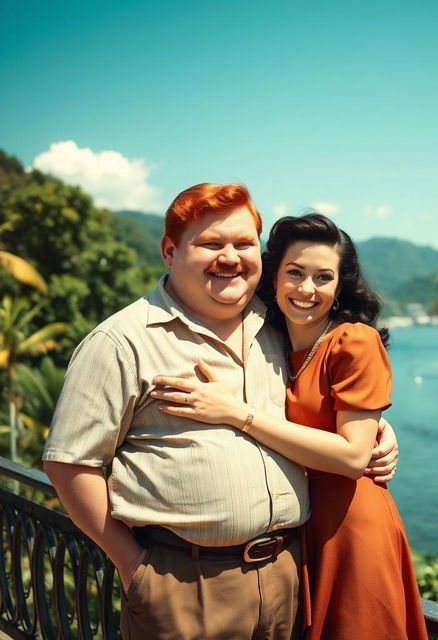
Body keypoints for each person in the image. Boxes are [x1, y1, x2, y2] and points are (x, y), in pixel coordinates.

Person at [42, 184, 397, 640]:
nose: (229, 257)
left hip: (287, 572)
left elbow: (318, 395)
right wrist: (133, 566)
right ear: (170, 251)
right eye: (211, 243)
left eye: (244, 244)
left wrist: (379, 428)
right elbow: (69, 463)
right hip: (186, 584)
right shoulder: (121, 341)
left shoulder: (275, 324)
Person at [151, 213, 429, 640]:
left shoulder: (352, 340)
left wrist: (236, 412)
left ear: (339, 287)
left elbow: (354, 456)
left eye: (323, 277)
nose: (306, 289)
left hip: (351, 527)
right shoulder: (268, 340)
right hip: (298, 532)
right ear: (274, 277)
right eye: (295, 273)